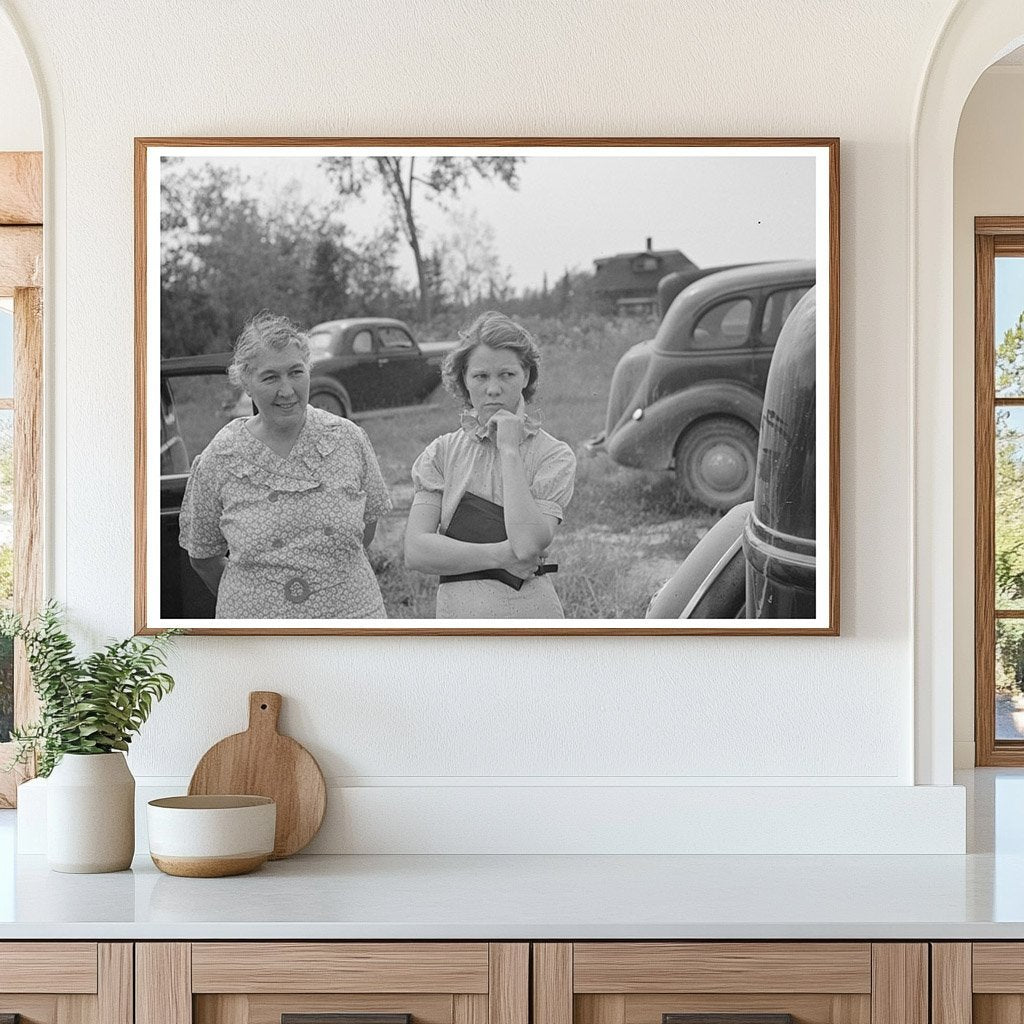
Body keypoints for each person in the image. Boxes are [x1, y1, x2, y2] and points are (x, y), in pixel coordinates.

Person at [178, 312, 392, 619]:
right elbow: (203, 556)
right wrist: (260, 603)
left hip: (351, 620)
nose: (287, 390)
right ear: (246, 384)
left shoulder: (347, 438)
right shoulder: (220, 458)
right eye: (270, 377)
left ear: (309, 370)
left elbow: (366, 529)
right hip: (260, 640)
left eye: (296, 372)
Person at [404, 311, 576, 618]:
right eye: (480, 376)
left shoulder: (552, 454)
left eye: (506, 375)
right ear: (464, 381)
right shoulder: (441, 452)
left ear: (526, 375)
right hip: (457, 619)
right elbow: (417, 551)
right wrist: (498, 555)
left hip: (528, 619)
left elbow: (526, 546)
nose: (493, 389)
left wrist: (509, 449)